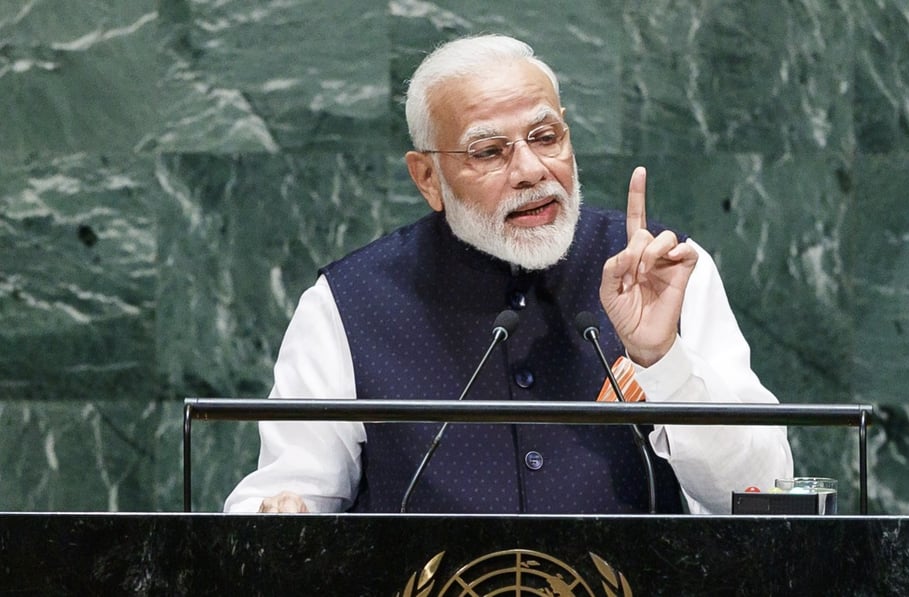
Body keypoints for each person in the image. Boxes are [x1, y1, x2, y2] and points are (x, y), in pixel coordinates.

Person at [224, 34, 793, 515]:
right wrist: (279, 516)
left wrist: (663, 362)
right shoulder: (347, 305)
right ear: (427, 178)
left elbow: (759, 493)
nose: (530, 171)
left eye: (546, 138)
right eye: (489, 152)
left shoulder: (663, 268)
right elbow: (286, 496)